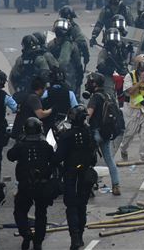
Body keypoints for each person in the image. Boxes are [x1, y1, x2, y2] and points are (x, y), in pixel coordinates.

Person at [8, 118, 56, 250]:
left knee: (20, 212)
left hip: (25, 185)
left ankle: (26, 233)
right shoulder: (46, 146)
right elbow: (54, 162)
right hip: (41, 185)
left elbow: (10, 156)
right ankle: (38, 242)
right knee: (41, 214)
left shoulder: (21, 145)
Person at [55, 106, 97, 250]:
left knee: (71, 206)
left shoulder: (67, 136)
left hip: (71, 175)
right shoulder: (89, 133)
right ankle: (80, 235)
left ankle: (75, 238)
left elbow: (58, 157)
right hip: (85, 174)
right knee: (82, 206)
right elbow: (94, 158)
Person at [84, 72, 121, 195]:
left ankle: (89, 188)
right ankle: (116, 185)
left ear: (94, 84)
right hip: (106, 133)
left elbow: (88, 115)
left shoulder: (95, 97)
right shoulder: (108, 95)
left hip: (95, 133)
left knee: (88, 162)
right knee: (109, 160)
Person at [119, 54, 144, 162]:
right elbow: (129, 92)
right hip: (132, 109)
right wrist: (141, 82)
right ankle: (123, 149)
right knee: (130, 134)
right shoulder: (129, 76)